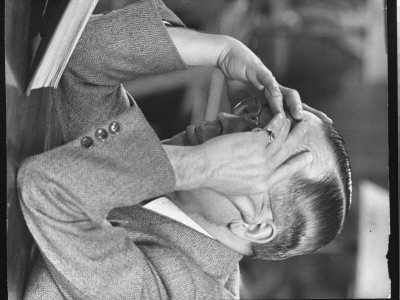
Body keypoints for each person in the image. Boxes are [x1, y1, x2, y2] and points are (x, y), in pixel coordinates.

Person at [18, 98, 351, 299]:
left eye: (263, 144)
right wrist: (221, 52)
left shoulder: (186, 292)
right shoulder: (170, 198)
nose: (227, 119)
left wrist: (198, 164)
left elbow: (46, 186)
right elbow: (81, 66)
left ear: (256, 227)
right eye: (255, 117)